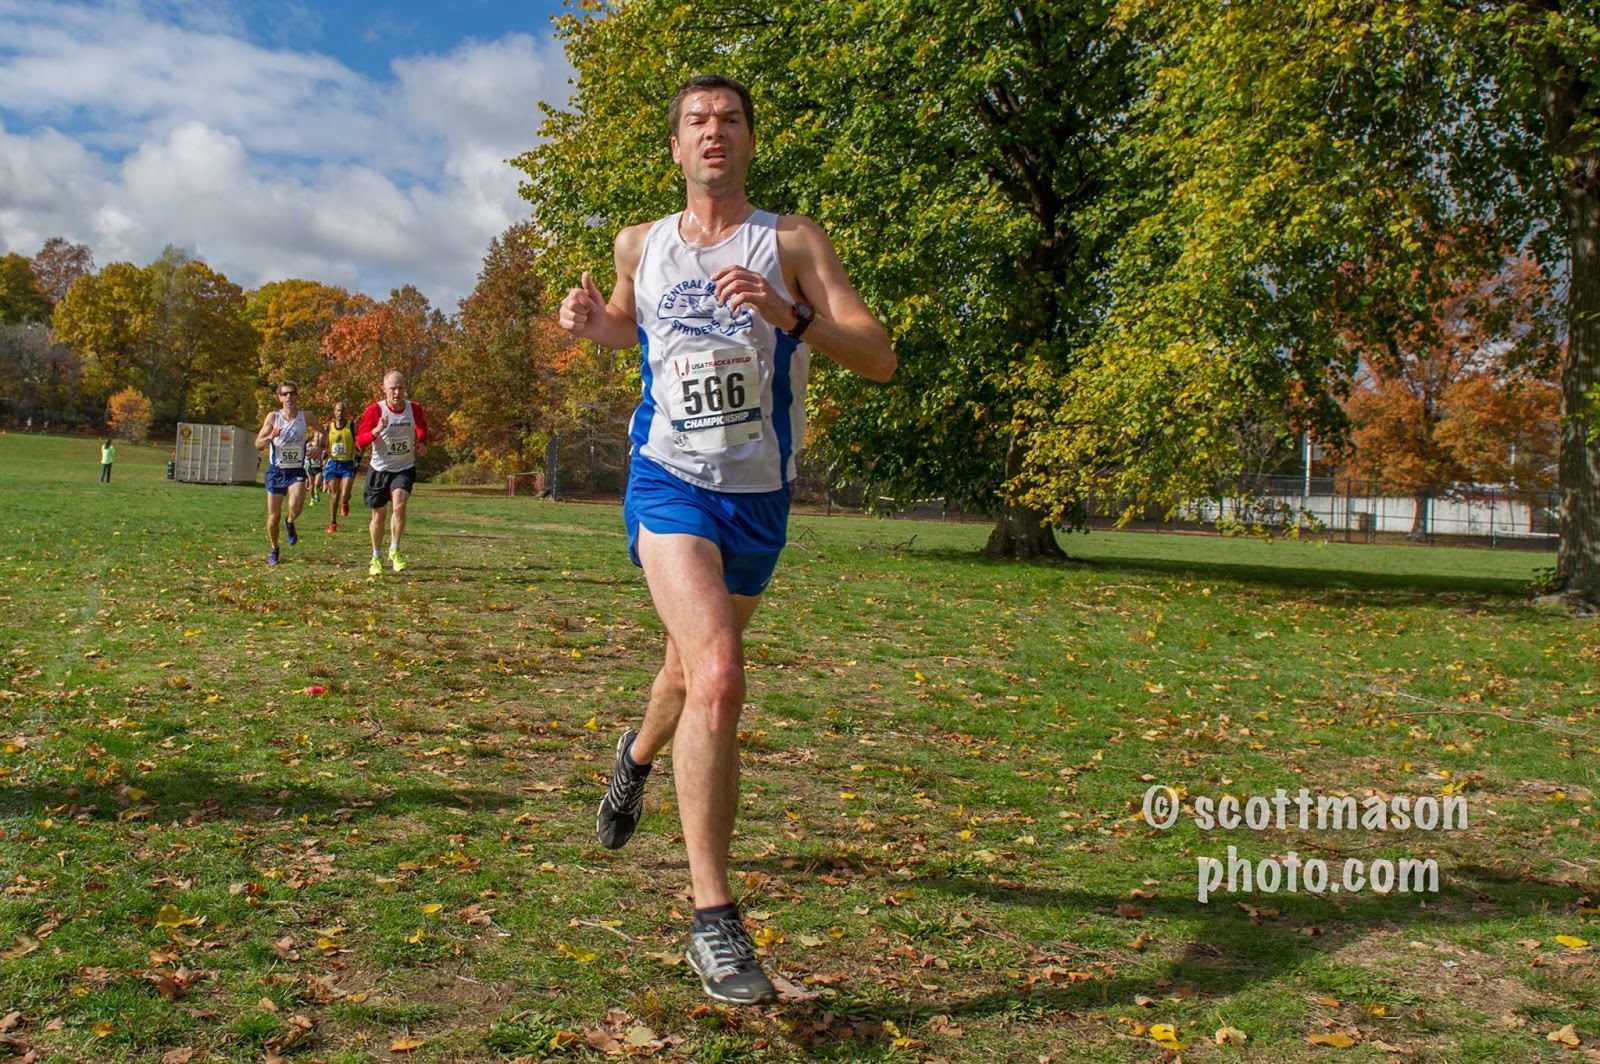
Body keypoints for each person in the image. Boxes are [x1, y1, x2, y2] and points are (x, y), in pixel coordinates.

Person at [557, 73, 896, 1005]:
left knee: (683, 669)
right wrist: (594, 325)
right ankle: (714, 920)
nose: (714, 133)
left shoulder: (791, 242)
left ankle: (633, 761)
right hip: (667, 481)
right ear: (675, 147)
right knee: (719, 671)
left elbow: (880, 355)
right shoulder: (642, 242)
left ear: (750, 142)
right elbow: (631, 321)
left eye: (731, 120)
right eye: (697, 122)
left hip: (759, 496)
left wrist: (790, 314)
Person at [355, 370, 428, 576]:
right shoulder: (374, 411)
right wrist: (376, 431)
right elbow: (360, 441)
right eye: (392, 389)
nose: (397, 392)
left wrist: (421, 442)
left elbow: (421, 427)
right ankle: (376, 556)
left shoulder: (414, 408)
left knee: (400, 505)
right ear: (384, 390)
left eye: (400, 388)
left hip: (404, 467)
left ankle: (395, 550)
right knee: (378, 516)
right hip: (379, 469)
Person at [254, 381, 320, 567]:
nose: (289, 397)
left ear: (297, 396)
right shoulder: (273, 418)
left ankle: (290, 522)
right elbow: (257, 444)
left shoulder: (306, 417)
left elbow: (324, 432)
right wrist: (270, 437)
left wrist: (320, 447)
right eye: (285, 394)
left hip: (296, 471)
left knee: (296, 505)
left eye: (292, 393)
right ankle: (274, 549)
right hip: (276, 471)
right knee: (273, 517)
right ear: (280, 398)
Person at [322, 401, 359, 533]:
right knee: (334, 495)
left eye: (342, 411)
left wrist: (359, 450)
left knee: (345, 493)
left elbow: (359, 442)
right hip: (333, 464)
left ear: (346, 412)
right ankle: (333, 523)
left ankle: (345, 502)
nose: (340, 413)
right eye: (338, 410)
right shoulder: (329, 427)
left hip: (347, 463)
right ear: (334, 412)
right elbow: (323, 443)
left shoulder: (352, 426)